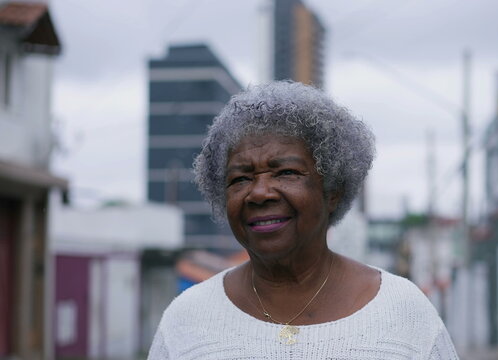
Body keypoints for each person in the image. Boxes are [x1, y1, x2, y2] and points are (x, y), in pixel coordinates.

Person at [148, 81, 458, 359]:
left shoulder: (404, 312)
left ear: (332, 190)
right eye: (240, 178)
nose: (259, 193)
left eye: (286, 172)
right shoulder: (186, 319)